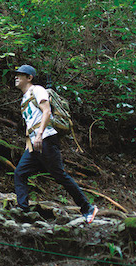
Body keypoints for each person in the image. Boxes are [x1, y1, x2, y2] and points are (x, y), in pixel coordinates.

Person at [13, 65, 98, 223]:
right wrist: (29, 143)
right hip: (34, 144)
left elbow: (47, 111)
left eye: (20, 75)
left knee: (59, 175)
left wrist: (39, 135)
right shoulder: (24, 99)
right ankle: (23, 209)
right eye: (16, 75)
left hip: (45, 139)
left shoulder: (37, 90)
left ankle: (88, 208)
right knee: (20, 172)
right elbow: (30, 123)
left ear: (29, 78)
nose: (16, 77)